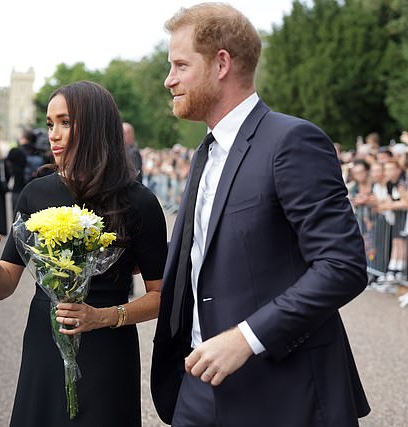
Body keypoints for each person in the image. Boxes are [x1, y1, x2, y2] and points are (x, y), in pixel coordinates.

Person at [151, 4, 370, 427]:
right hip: (195, 387)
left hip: (281, 391)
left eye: (180, 65)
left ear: (221, 63)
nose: (169, 80)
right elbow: (205, 256)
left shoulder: (292, 141)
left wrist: (247, 338)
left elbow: (343, 265)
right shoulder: (205, 152)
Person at [0, 81, 167, 426]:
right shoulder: (35, 193)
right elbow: (3, 287)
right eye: (49, 124)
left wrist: (102, 317)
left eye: (66, 122)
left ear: (95, 127)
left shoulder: (139, 202)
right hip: (44, 339)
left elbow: (162, 296)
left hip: (108, 347)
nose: (54, 135)